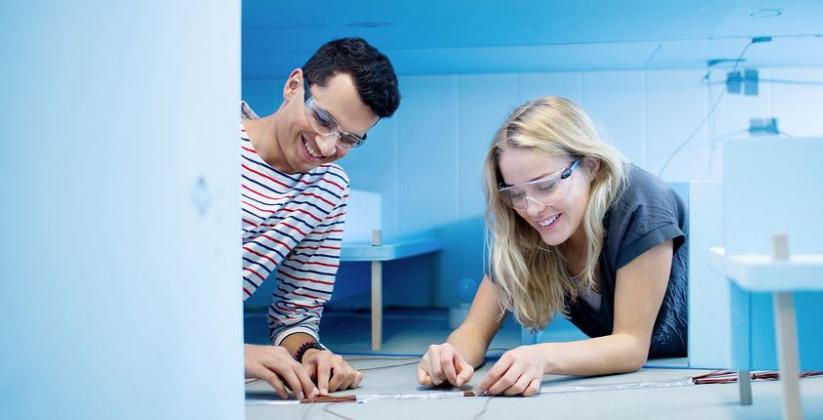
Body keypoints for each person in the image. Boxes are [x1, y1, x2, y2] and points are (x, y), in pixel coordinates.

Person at [417, 96, 688, 396]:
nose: (531, 209)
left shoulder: (642, 205)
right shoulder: (523, 227)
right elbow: (474, 332)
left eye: (546, 186)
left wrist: (543, 357)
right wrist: (450, 357)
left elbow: (631, 345)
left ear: (590, 165)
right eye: (515, 193)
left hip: (695, 365)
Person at [241, 37, 400, 400]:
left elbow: (295, 316)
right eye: (323, 119)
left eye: (349, 139)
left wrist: (309, 352)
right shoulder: (200, 143)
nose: (327, 147)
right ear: (293, 86)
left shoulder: (328, 189)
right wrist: (232, 354)